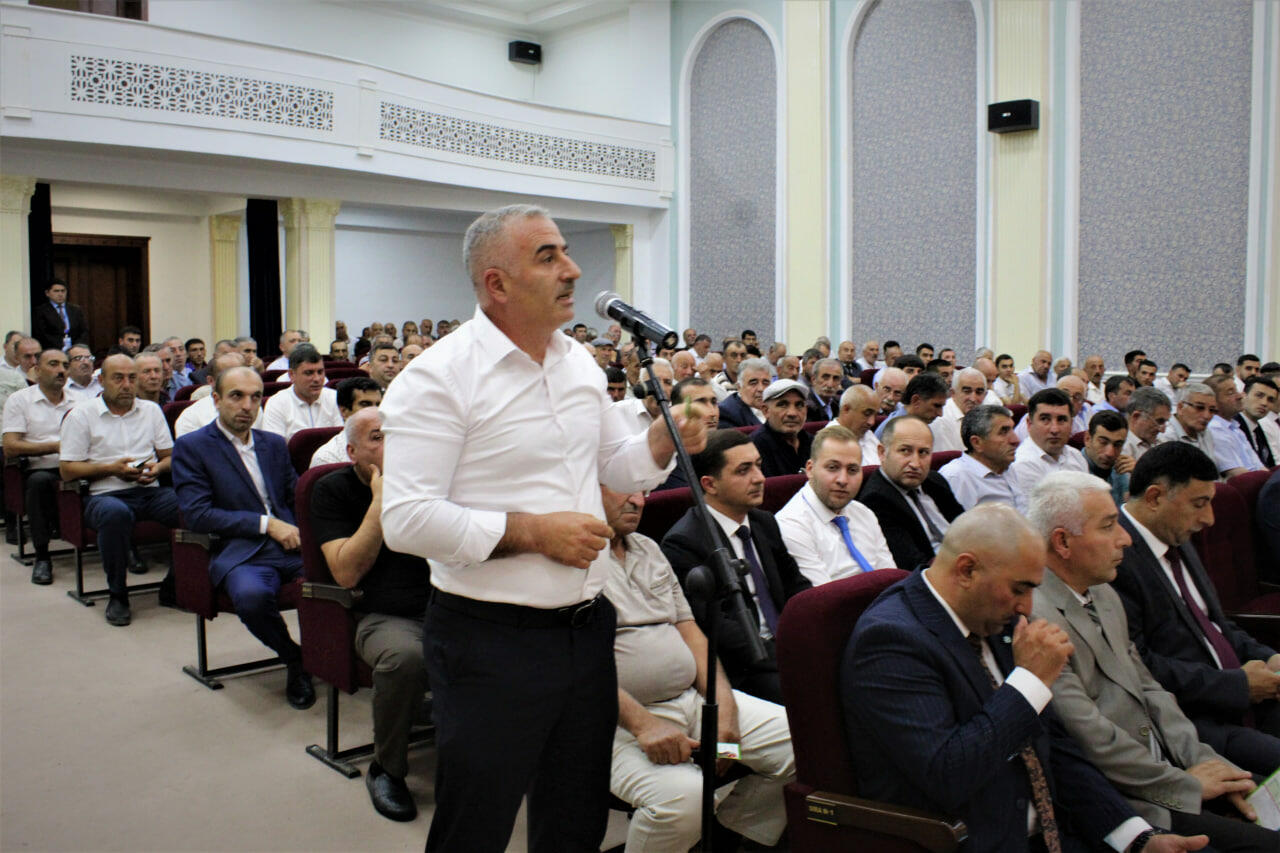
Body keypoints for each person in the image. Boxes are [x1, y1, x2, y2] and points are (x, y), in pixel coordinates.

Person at [378, 204, 705, 853]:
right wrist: (531, 532)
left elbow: (614, 465)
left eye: (565, 251)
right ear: (497, 283)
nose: (573, 269)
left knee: (575, 814)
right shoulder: (438, 378)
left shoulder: (577, 361)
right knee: (477, 820)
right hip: (489, 637)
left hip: (588, 628)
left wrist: (660, 443)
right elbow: (406, 519)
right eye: (548, 256)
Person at [841, 503, 1204, 853]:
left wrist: (1135, 838)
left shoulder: (994, 619)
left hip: (1061, 830)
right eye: (1019, 589)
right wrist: (1029, 682)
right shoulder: (891, 641)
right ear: (966, 570)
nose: (1027, 607)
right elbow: (949, 774)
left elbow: (1052, 747)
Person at [1027, 471, 1275, 850]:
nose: (1125, 538)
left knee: (1268, 800)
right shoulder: (1036, 619)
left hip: (1176, 766)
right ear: (1062, 542)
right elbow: (1089, 734)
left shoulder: (1102, 592)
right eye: (1108, 526)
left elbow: (1151, 689)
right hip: (1131, 799)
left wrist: (1208, 764)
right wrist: (1186, 785)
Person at [601, 483, 794, 852]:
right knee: (685, 800)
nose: (638, 501)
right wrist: (644, 724)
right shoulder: (570, 563)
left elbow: (691, 633)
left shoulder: (649, 548)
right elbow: (575, 665)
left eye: (642, 491)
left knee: (799, 744)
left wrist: (725, 713)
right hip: (617, 722)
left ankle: (731, 836)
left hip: (691, 703)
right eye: (624, 490)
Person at [1112, 442, 1280, 776]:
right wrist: (1237, 686)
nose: (1209, 519)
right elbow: (1139, 666)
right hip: (1196, 721)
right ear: (1155, 497)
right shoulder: (1116, 559)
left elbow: (1214, 625)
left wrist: (1267, 656)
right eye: (1199, 504)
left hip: (1242, 694)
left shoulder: (1176, 536)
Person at [310, 408, 431, 822]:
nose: (390, 447)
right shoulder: (331, 490)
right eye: (378, 438)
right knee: (406, 658)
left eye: (396, 436)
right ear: (352, 452)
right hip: (380, 614)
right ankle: (387, 769)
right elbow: (345, 573)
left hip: (443, 603)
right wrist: (381, 501)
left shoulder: (426, 484)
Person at [171, 366, 315, 709]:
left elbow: (295, 495)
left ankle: (330, 656)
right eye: (236, 396)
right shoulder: (193, 447)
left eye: (255, 397)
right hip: (241, 550)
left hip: (292, 544)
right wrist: (266, 525)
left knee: (341, 578)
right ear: (216, 399)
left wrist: (308, 533)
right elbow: (198, 514)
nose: (247, 406)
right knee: (252, 597)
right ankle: (294, 658)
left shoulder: (273, 444)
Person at [660, 430, 810, 704]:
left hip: (787, 648)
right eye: (744, 470)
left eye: (759, 466)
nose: (759, 478)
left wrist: (811, 637)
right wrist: (790, 656)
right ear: (710, 484)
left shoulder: (764, 522)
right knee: (811, 695)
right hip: (743, 670)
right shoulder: (684, 543)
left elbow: (797, 587)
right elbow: (718, 629)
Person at [58, 354, 180, 626]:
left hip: (148, 490)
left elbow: (170, 457)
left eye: (132, 378)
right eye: (118, 378)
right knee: (115, 514)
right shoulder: (81, 415)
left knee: (192, 507)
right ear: (101, 381)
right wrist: (112, 469)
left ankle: (173, 585)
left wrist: (157, 468)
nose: (126, 385)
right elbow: (67, 469)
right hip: (103, 495)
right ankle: (118, 594)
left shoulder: (151, 410)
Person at [775, 424, 895, 584]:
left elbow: (891, 578)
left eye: (852, 470)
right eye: (833, 468)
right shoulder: (791, 525)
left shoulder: (864, 513)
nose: (843, 480)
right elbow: (822, 596)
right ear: (810, 469)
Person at [2, 349, 80, 584]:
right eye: (53, 364)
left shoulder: (80, 401)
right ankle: (43, 556)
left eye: (65, 365)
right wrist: (55, 447)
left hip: (78, 465)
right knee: (39, 483)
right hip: (41, 468)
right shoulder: (20, 400)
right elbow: (10, 447)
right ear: (37, 371)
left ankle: (128, 548)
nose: (61, 370)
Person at [857, 416, 963, 571]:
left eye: (923, 452)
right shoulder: (876, 500)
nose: (915, 463)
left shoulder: (934, 480)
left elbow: (966, 528)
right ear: (882, 452)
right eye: (905, 451)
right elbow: (913, 566)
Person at [1007, 389, 1088, 511]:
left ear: (1071, 424)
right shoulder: (1021, 464)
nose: (1054, 429)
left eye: (1061, 420)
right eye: (1045, 419)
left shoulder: (1076, 456)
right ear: (1029, 424)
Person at [938, 404, 1019, 510]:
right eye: (1003, 432)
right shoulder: (958, 477)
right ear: (977, 443)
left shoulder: (1006, 466)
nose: (1016, 440)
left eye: (1013, 430)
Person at [261, 345, 341, 440]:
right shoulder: (276, 403)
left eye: (320, 372)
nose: (317, 379)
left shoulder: (335, 398)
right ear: (291, 375)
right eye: (309, 373)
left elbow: (343, 440)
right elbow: (275, 446)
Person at [174, 353, 263, 437]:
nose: (237, 381)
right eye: (229, 377)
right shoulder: (191, 417)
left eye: (242, 376)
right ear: (211, 381)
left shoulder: (254, 407)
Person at [309, 376, 383, 467]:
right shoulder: (327, 458)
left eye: (378, 405)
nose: (375, 411)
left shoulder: (392, 444)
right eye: (365, 404)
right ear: (344, 411)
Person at [1204, 374, 1264, 478]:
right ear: (1214, 402)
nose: (1239, 396)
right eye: (1231, 393)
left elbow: (1259, 467)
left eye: (1236, 391)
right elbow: (1236, 474)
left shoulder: (1235, 429)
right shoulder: (1214, 429)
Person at [749, 379, 812, 477]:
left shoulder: (814, 443)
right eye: (783, 405)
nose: (792, 413)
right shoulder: (754, 448)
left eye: (799, 405)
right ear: (766, 411)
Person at [930, 367, 989, 453]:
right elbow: (947, 458)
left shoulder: (987, 417)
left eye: (979, 392)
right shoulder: (941, 420)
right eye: (967, 391)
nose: (973, 398)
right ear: (953, 393)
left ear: (985, 395)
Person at [874, 372, 948, 439]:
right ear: (916, 400)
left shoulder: (918, 425)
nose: (940, 414)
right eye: (936, 406)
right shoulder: (895, 431)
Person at [1083, 409, 1134, 506]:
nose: (1110, 453)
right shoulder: (1074, 470)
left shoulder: (1119, 469)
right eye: (1103, 442)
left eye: (1117, 445)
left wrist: (1138, 477)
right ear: (1087, 439)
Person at [1159, 383, 1216, 458]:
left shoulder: (1206, 433)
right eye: (1200, 407)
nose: (1207, 416)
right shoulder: (1165, 436)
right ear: (1180, 407)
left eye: (1212, 410)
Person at [32, 279, 88, 352]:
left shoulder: (75, 310)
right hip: (53, 350)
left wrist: (75, 347)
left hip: (75, 349)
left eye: (63, 291)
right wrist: (62, 347)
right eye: (56, 291)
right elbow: (42, 334)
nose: (60, 294)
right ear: (47, 293)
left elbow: (83, 331)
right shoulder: (41, 311)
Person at [1237, 377, 1279, 467]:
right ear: (1243, 395)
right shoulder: (1234, 426)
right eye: (1259, 395)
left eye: (1270, 400)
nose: (1264, 403)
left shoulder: (1257, 428)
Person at [717, 357, 770, 428]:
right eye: (753, 383)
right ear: (739, 387)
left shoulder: (774, 407)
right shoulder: (727, 413)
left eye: (765, 383)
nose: (761, 389)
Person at [834, 383, 882, 461]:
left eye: (875, 415)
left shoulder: (869, 435)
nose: (872, 422)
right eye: (867, 414)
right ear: (846, 409)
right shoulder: (829, 442)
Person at [1124, 387, 1172, 462]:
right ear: (1136, 417)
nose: (1162, 430)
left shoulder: (1162, 443)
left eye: (1165, 422)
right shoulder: (1122, 447)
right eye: (1159, 421)